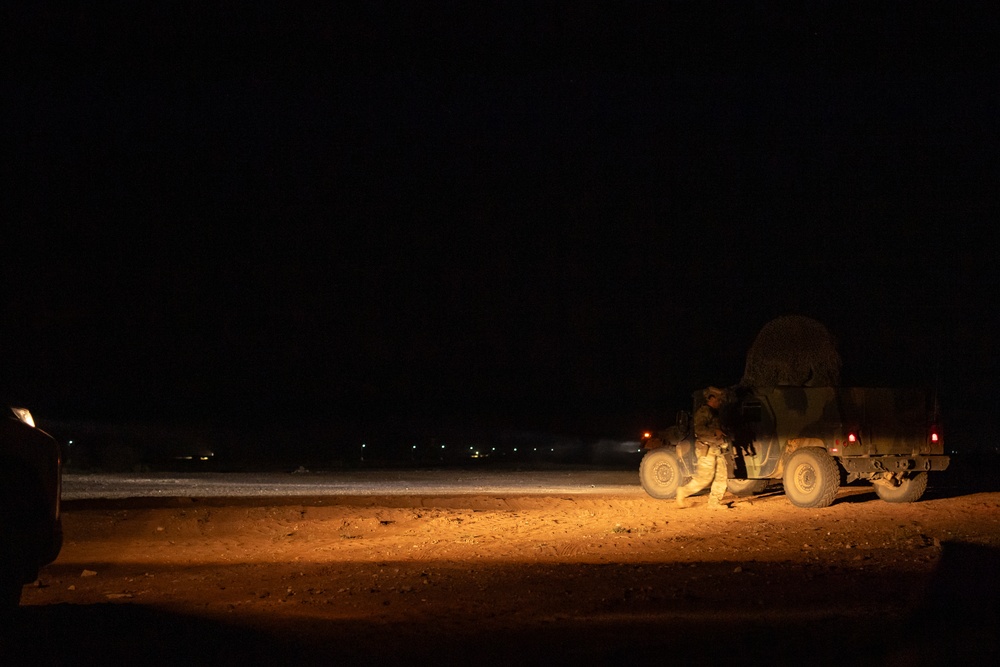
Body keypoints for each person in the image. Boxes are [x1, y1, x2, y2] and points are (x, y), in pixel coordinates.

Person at [676, 386, 732, 510]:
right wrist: (715, 431)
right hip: (707, 449)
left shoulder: (714, 413)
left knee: (721, 476)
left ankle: (714, 502)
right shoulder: (703, 411)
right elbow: (699, 429)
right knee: (704, 478)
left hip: (717, 448)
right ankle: (683, 492)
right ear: (711, 399)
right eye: (718, 400)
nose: (720, 402)